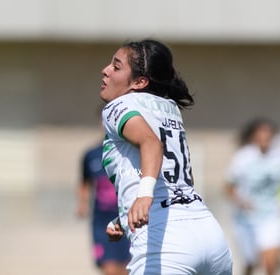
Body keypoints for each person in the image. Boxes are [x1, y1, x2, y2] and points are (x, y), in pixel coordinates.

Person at [99, 39, 232, 275]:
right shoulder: (169, 107)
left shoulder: (118, 106)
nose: (106, 70)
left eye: (116, 67)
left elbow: (151, 143)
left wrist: (144, 197)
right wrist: (124, 216)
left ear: (140, 82)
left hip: (166, 240)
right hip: (210, 234)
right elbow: (170, 182)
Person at [225, 118, 280, 275]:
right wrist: (242, 202)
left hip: (272, 216)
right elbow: (228, 186)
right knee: (251, 263)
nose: (264, 141)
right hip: (247, 220)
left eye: (267, 137)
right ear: (254, 137)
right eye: (260, 136)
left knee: (270, 264)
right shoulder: (242, 158)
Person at [76, 140, 130, 275]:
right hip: (102, 222)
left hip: (128, 221)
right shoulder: (92, 154)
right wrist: (82, 204)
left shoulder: (131, 151)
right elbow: (84, 181)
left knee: (128, 268)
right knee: (109, 269)